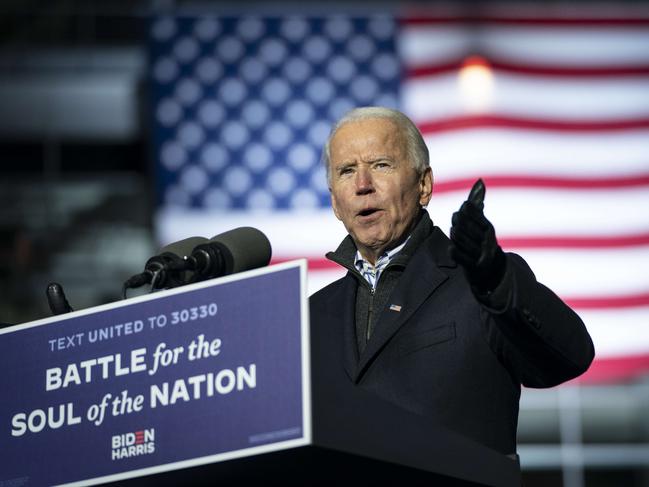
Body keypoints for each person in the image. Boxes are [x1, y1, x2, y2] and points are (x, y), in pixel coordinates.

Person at [309, 106, 594, 457]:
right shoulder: (309, 316)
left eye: (381, 165)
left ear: (424, 185)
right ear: (335, 201)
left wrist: (496, 278)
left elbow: (570, 357)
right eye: (346, 171)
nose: (363, 185)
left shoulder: (482, 284)